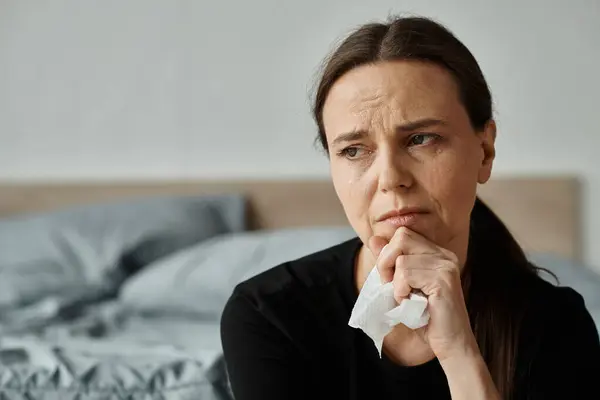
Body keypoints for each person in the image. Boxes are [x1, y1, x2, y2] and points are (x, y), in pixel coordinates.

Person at [220, 15, 600, 400]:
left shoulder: (555, 325)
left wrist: (459, 351)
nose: (390, 178)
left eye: (420, 139)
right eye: (354, 150)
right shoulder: (269, 315)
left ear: (484, 151)